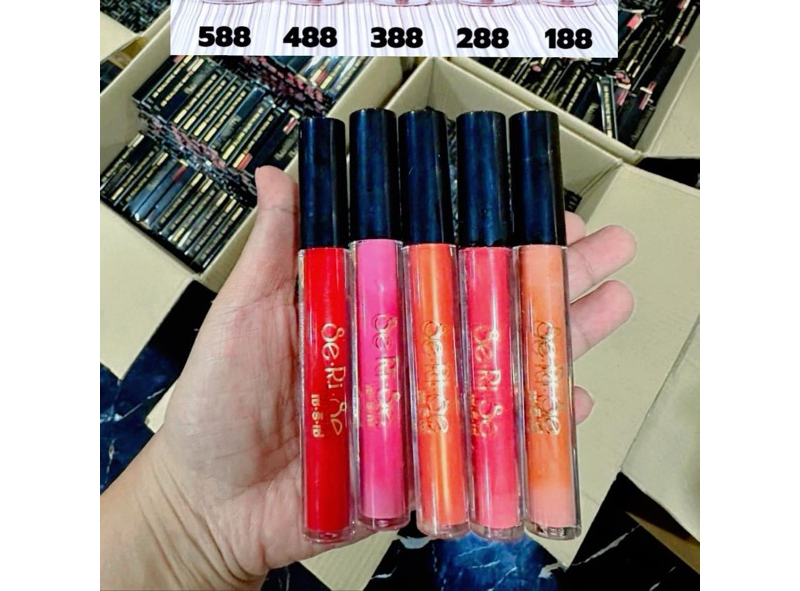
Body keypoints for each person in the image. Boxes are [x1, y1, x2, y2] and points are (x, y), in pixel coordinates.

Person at [100, 166, 636, 590]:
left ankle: (503, 496)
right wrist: (188, 520)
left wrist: (187, 530)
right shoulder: (348, 264)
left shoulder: (459, 261)